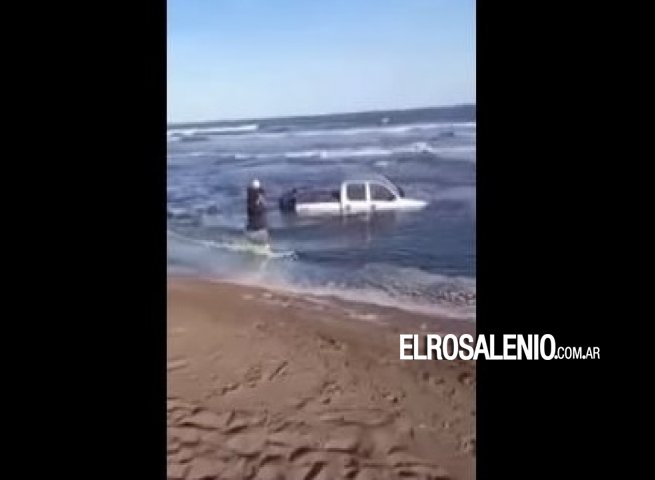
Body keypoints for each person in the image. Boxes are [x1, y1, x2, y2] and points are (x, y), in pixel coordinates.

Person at [245, 179, 269, 245]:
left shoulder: (250, 200)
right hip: (259, 228)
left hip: (256, 228)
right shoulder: (257, 200)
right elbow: (255, 210)